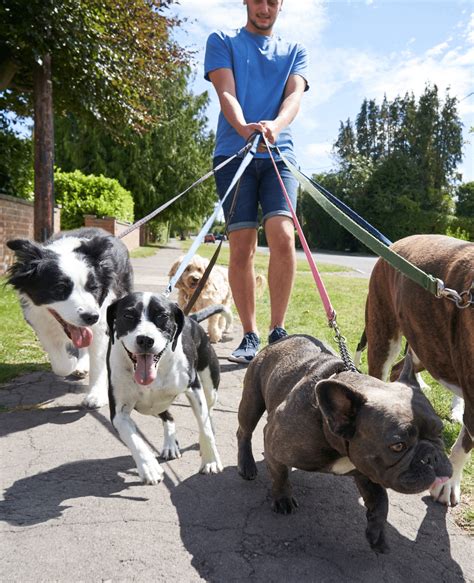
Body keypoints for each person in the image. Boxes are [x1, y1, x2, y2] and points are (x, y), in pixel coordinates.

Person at [204, 0, 309, 364]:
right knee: (242, 246)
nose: (265, 7)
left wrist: (275, 127)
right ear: (246, 2)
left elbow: (294, 96)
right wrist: (244, 127)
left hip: (279, 155)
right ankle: (249, 335)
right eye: (258, 0)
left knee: (283, 235)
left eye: (272, 1)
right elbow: (226, 92)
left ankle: (277, 331)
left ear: (281, 5)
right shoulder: (223, 41)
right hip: (234, 155)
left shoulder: (294, 50)